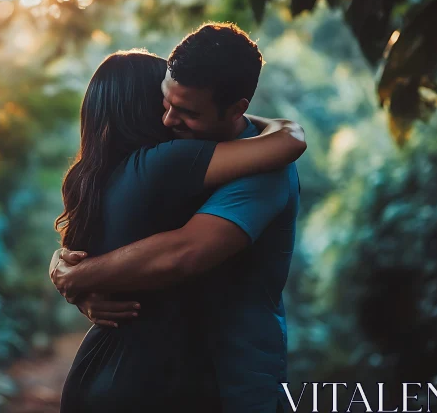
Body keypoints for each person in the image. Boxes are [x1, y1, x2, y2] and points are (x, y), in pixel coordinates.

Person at [51, 23, 302, 413]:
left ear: (237, 107)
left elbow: (183, 251)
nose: (168, 120)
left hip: (227, 379)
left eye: (186, 111)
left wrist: (74, 276)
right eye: (163, 102)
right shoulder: (162, 163)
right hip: (169, 382)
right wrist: (76, 282)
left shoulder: (261, 167)